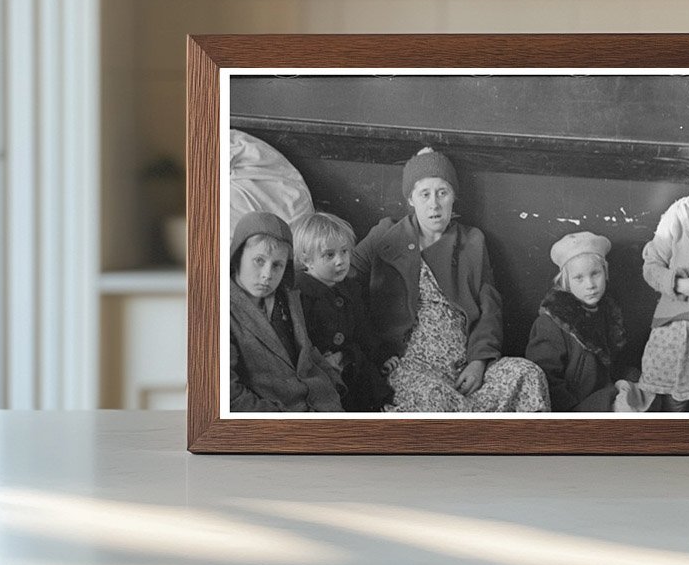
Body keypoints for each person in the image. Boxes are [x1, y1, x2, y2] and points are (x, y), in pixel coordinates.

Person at [351, 147, 549, 412]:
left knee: (527, 374)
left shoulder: (472, 241)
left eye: (442, 193)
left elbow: (490, 307)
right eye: (425, 194)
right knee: (436, 399)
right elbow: (344, 277)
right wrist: (374, 350)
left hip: (464, 367)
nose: (434, 204)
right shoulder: (387, 235)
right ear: (411, 199)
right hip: (410, 368)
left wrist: (479, 361)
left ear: (454, 197)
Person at [525, 231, 653, 412]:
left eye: (595, 274)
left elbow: (613, 365)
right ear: (566, 281)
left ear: (605, 273)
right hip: (575, 405)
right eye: (579, 278)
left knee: (652, 392)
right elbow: (544, 382)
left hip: (606, 393)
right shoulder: (551, 322)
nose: (590, 284)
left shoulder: (607, 311)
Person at [229, 210, 343, 412]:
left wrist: (333, 382)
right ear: (237, 257)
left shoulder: (287, 297)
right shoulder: (220, 312)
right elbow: (230, 397)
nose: (267, 275)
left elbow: (305, 350)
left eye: (277, 265)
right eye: (259, 261)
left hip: (323, 404)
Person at [293, 211, 394, 412]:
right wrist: (320, 362)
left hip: (352, 362)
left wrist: (382, 355)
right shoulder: (299, 294)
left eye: (345, 251)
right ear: (307, 260)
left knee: (375, 393)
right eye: (329, 255)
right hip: (320, 368)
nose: (340, 261)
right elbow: (299, 340)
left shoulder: (350, 288)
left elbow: (364, 329)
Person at [640, 141, 689, 412]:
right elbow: (651, 266)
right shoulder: (680, 213)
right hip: (675, 328)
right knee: (675, 404)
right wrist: (682, 284)